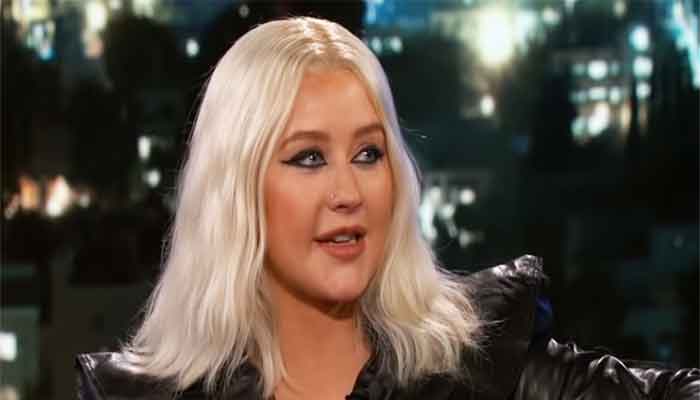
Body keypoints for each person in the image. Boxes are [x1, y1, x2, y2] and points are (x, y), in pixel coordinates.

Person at [76, 17, 699, 400]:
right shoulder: (138, 395)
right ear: (236, 190)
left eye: (369, 153)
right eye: (309, 158)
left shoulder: (488, 372)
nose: (348, 192)